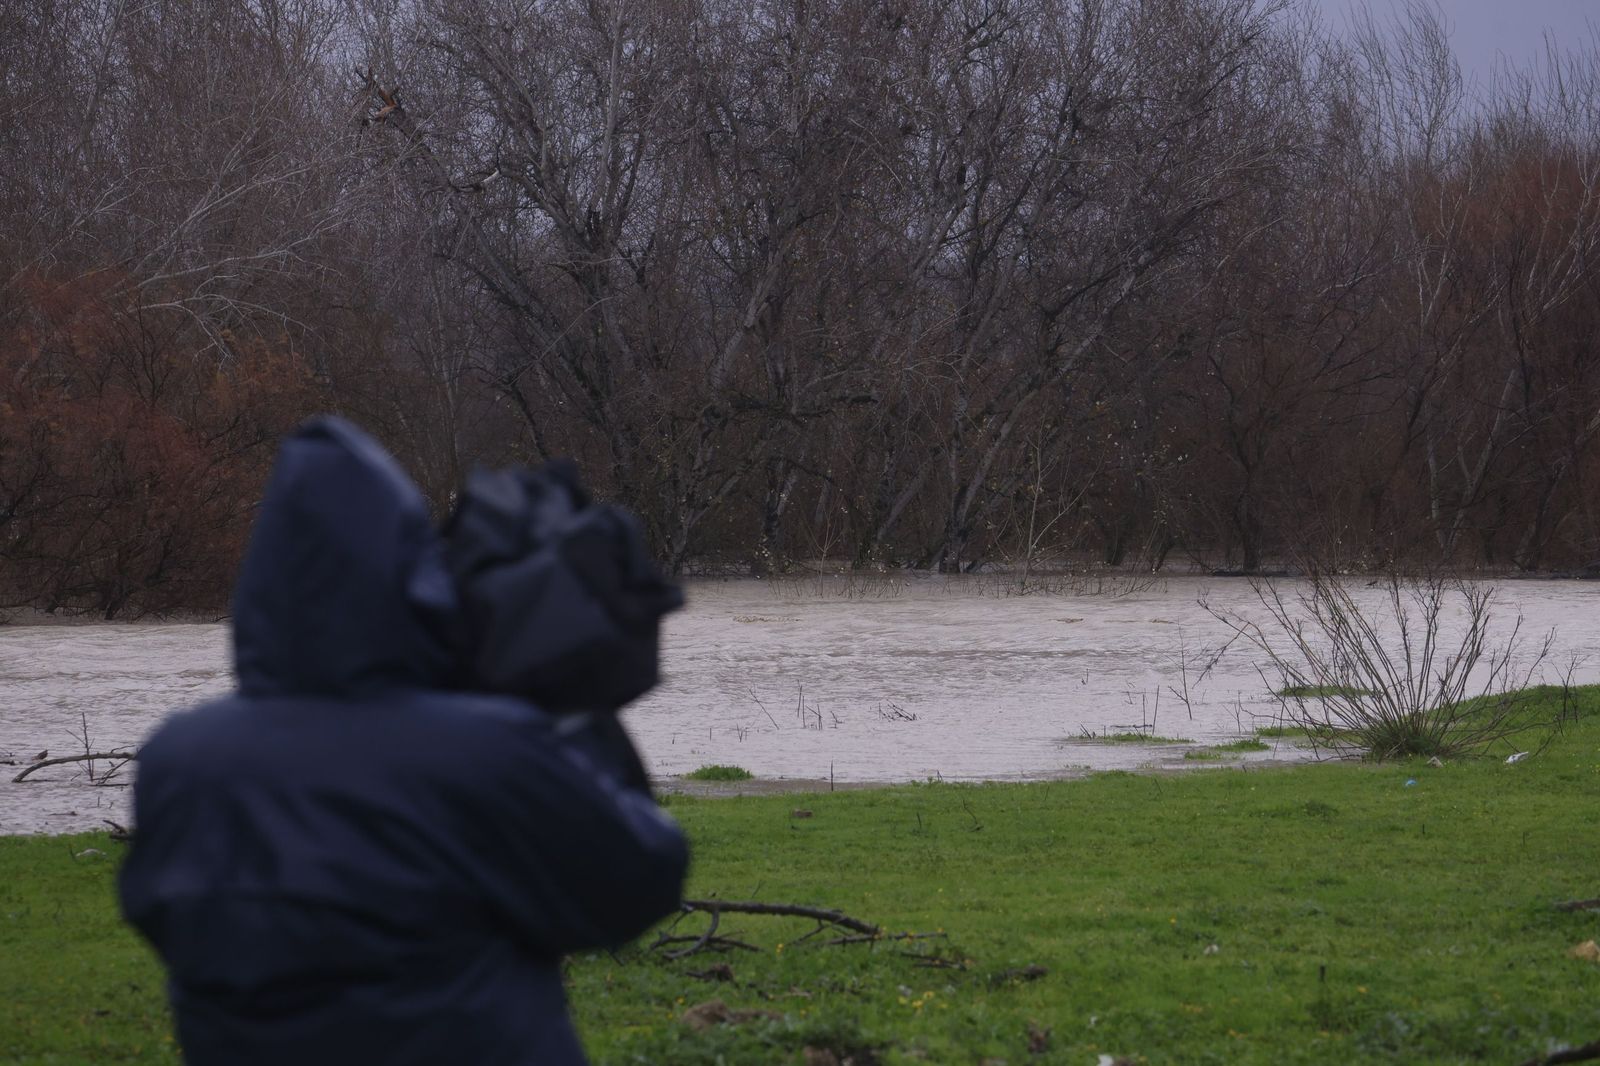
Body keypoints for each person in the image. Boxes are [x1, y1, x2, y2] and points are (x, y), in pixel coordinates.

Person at [118, 417, 689, 1065]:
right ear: (411, 571)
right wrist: (570, 708)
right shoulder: (483, 747)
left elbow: (163, 914)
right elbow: (637, 882)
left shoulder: (178, 759)